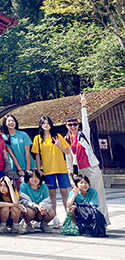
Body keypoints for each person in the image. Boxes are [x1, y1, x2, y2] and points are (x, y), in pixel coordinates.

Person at [66, 93, 108, 222]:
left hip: (91, 168)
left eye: (75, 124)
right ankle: (86, 219)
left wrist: (83, 107)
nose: (73, 126)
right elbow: (68, 157)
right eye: (70, 124)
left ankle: (102, 220)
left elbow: (86, 123)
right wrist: (70, 173)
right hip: (80, 171)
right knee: (81, 195)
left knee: (97, 193)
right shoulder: (67, 139)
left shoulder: (83, 135)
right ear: (66, 126)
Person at [32, 115, 71, 217]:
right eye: (43, 123)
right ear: (40, 125)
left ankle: (69, 215)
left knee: (64, 192)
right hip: (48, 169)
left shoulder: (57, 136)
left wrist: (59, 146)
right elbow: (37, 155)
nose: (46, 125)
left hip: (61, 168)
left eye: (48, 123)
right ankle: (54, 216)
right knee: (51, 193)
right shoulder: (37, 139)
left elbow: (67, 152)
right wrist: (38, 169)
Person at [20, 168, 55, 233]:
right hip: (30, 208)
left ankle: (44, 224)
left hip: (40, 210)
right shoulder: (23, 186)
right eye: (31, 177)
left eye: (36, 177)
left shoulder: (44, 187)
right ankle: (27, 224)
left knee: (51, 212)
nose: (34, 179)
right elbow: (24, 201)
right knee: (29, 211)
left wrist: (42, 207)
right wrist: (36, 206)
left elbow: (47, 201)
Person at [2, 114, 33, 179]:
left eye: (13, 121)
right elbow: (11, 154)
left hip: (28, 165)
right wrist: (20, 169)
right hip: (15, 168)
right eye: (9, 121)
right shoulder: (4, 138)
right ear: (5, 123)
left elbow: (27, 152)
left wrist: (28, 169)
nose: (11, 122)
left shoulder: (23, 135)